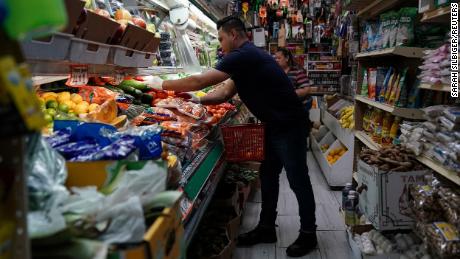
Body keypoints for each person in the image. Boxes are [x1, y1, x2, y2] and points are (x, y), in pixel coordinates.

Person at [154, 16, 317, 257]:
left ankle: (308, 234)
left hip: (289, 125)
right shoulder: (246, 58)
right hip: (274, 124)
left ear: (233, 35)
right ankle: (266, 228)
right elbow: (226, 92)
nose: (220, 45)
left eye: (221, 38)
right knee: (268, 176)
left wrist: (163, 83)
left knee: (297, 179)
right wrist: (197, 101)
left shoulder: (244, 55)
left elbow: (200, 80)